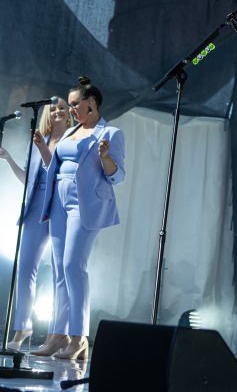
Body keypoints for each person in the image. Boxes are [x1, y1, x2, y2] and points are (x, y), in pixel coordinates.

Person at [32, 76, 125, 360]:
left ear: (91, 102)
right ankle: (57, 335)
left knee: (74, 265)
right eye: (70, 105)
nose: (71, 109)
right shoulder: (72, 132)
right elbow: (58, 165)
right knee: (59, 267)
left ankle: (79, 337)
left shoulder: (110, 133)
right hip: (59, 202)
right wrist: (42, 148)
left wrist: (106, 157)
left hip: (84, 205)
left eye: (75, 104)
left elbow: (117, 175)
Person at [0, 98, 73, 351]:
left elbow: (57, 173)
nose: (57, 111)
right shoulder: (38, 140)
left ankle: (57, 334)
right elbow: (29, 181)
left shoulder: (72, 140)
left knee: (59, 272)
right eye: (52, 108)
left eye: (62, 107)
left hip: (58, 207)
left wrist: (44, 150)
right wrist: (9, 159)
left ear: (69, 113)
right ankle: (22, 328)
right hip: (34, 209)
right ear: (45, 114)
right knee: (25, 268)